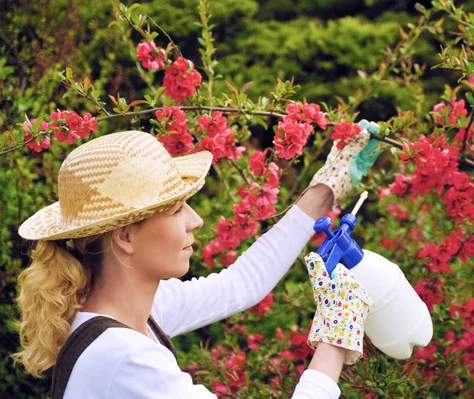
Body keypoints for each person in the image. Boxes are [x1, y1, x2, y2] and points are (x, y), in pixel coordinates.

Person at [13, 129, 375, 398]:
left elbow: (240, 284)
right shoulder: (126, 360)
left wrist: (327, 187)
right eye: (176, 209)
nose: (196, 220)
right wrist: (336, 336)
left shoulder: (127, 315)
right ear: (125, 237)